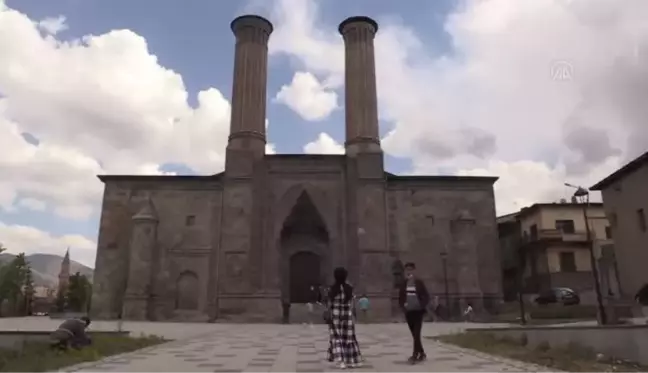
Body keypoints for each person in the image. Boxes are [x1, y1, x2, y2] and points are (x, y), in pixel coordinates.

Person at [326, 267, 363, 369]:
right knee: (348, 338)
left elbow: (329, 304)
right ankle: (351, 360)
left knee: (337, 337)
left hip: (336, 315)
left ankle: (340, 360)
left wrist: (329, 314)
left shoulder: (332, 289)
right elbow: (352, 304)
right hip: (347, 314)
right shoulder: (349, 288)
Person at [398, 262, 429, 364]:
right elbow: (401, 297)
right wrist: (403, 306)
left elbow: (426, 296)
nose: (409, 271)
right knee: (414, 334)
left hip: (418, 312)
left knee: (416, 334)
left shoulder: (419, 283)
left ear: (414, 271)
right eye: (407, 270)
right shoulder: (404, 283)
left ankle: (415, 355)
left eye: (411, 269)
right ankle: (422, 353)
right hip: (409, 312)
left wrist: (421, 305)